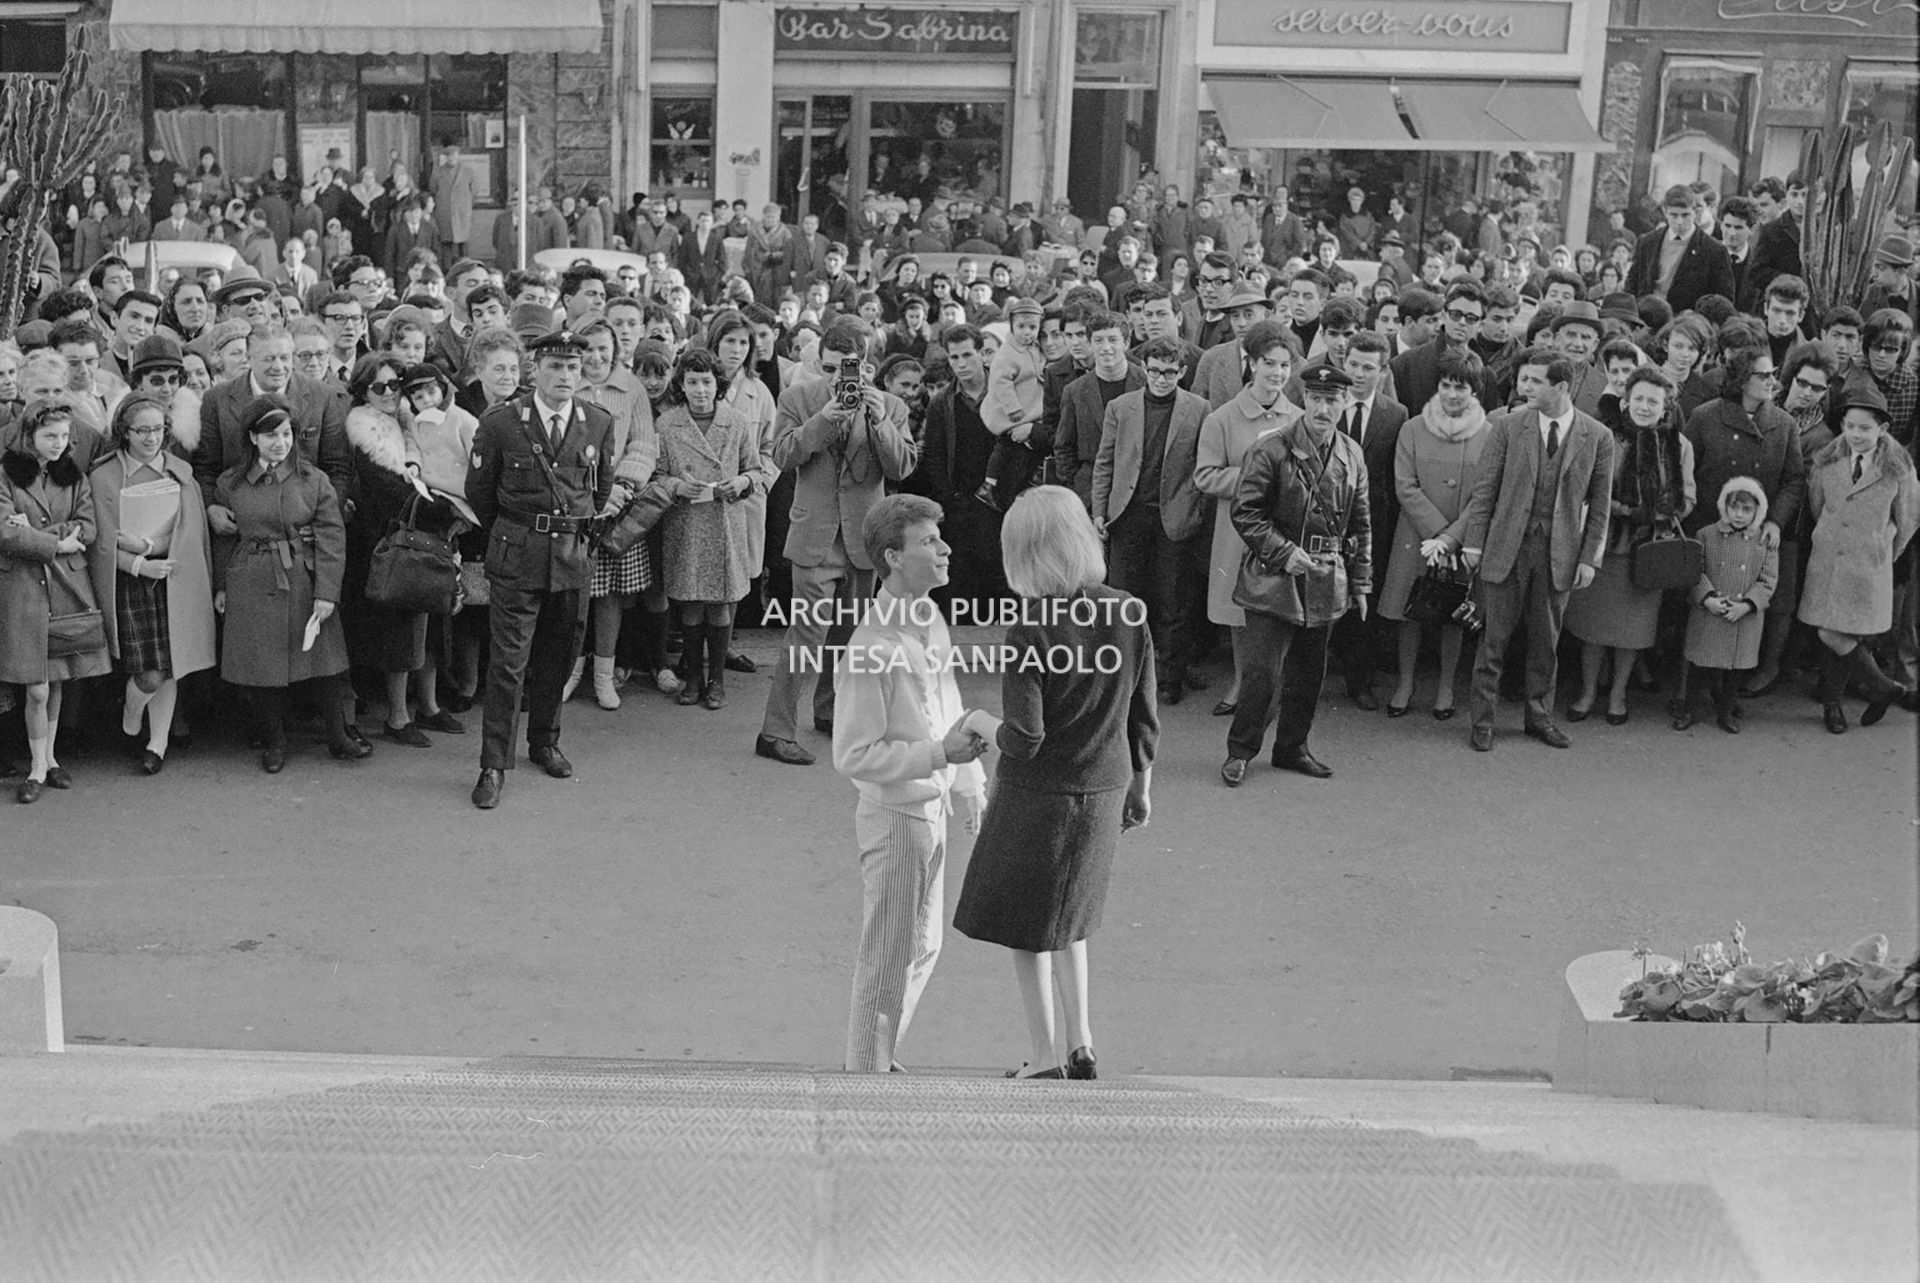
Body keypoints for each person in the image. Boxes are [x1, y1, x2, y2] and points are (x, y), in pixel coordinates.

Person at [950, 485, 1156, 1080]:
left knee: (1028, 928)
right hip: (1107, 784)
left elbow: (1024, 737)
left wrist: (979, 721)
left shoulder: (1031, 627)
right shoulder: (1128, 611)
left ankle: (1043, 1057)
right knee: (1074, 917)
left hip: (1038, 796)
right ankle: (1082, 1041)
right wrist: (1143, 787)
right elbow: (1143, 719)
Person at [831, 493, 990, 1073]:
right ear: (894, 558)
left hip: (932, 809)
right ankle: (864, 1073)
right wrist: (938, 756)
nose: (945, 548)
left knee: (923, 946)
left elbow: (948, 705)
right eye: (929, 541)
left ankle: (879, 1055)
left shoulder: (929, 618)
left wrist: (968, 779)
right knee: (887, 953)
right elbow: (852, 753)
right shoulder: (870, 648)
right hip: (895, 820)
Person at [464, 329, 618, 810]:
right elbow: (479, 493)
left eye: (574, 366)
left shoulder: (597, 422)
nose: (566, 376)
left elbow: (599, 491)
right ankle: (493, 762)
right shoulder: (502, 422)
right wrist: (519, 530)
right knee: (508, 664)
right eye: (555, 367)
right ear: (536, 370)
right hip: (518, 554)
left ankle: (544, 741)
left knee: (559, 655)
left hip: (571, 556)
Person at [757, 317, 917, 767]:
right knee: (806, 635)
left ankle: (828, 712)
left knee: (848, 637)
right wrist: (821, 422)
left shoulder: (890, 405)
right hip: (815, 535)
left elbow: (902, 467)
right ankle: (775, 731)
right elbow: (782, 456)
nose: (835, 379)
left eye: (845, 369)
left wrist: (880, 420)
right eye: (827, 369)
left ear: (866, 368)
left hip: (864, 538)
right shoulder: (797, 398)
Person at [1221, 360, 1372, 785]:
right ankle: (1241, 750)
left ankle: (1292, 747)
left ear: (1346, 401)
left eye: (1332, 400)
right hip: (1272, 576)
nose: (1323, 409)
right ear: (1304, 399)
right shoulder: (1271, 449)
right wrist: (1283, 552)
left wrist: (1360, 580)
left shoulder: (1351, 453)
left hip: (1325, 576)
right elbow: (1246, 512)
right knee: (1262, 674)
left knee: (1309, 674)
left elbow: (1361, 523)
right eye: (1316, 399)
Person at [1458, 349, 1615, 751]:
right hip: (1507, 546)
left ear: (1561, 387)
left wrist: (1588, 559)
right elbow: (1485, 491)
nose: (1524, 386)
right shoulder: (1510, 427)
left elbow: (1600, 506)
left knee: (1546, 641)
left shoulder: (1596, 435)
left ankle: (1539, 717)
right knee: (1493, 639)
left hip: (1559, 551)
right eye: (1523, 379)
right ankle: (1483, 721)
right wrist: (1474, 544)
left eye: (1534, 381)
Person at [213, 397, 366, 773]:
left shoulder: (313, 481)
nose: (279, 443)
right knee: (262, 666)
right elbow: (222, 540)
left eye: (285, 434)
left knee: (325, 661)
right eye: (269, 435)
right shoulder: (230, 483)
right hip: (251, 577)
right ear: (252, 438)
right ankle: (275, 740)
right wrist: (222, 586)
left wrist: (326, 592)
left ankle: (338, 734)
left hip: (302, 574)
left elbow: (332, 536)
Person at [86, 393, 217, 775]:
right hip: (128, 581)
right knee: (147, 673)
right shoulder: (104, 475)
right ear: (124, 433)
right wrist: (138, 564)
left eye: (157, 429)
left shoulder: (180, 474)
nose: (150, 438)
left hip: (173, 578)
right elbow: (100, 543)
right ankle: (131, 719)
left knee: (170, 666)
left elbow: (190, 534)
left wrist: (151, 545)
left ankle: (156, 745)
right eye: (141, 430)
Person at [1564, 367, 1696, 724]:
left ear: (1665, 406)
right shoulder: (1604, 436)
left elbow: (1689, 499)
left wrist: (1658, 510)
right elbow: (1584, 486)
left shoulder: (1678, 445)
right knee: (1593, 626)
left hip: (1646, 551)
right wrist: (1619, 509)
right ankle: (1589, 690)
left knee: (1631, 632)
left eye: (1653, 401)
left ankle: (1619, 694)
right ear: (1625, 399)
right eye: (1638, 398)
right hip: (1603, 544)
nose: (1644, 406)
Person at [1, 399, 114, 803]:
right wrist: (55, 542)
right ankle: (34, 765)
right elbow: (2, 530)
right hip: (21, 587)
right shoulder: (5, 472)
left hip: (66, 584)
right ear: (29, 435)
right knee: (35, 686)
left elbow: (89, 528)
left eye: (65, 436)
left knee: (57, 675)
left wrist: (34, 532)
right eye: (50, 436)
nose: (59, 444)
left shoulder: (74, 476)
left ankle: (48, 760)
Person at [1090, 336, 1210, 703]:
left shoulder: (1199, 408)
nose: (1160, 379)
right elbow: (1105, 461)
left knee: (1174, 599)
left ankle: (1170, 677)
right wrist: (1098, 510)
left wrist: (1195, 509)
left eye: (1170, 372)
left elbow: (1201, 465)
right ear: (1144, 369)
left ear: (1183, 372)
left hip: (1174, 516)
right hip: (1127, 515)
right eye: (1154, 371)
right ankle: (1121, 674)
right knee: (1123, 596)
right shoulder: (1121, 407)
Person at [1377, 349, 1492, 717]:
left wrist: (1451, 538)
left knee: (1452, 613)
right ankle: (1406, 681)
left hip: (1461, 539)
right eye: (1446, 385)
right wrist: (1436, 532)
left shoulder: (1489, 434)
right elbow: (1404, 485)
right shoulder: (1412, 428)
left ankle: (1445, 686)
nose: (1453, 394)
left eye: (1461, 388)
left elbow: (1484, 495)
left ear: (1474, 390)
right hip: (1416, 535)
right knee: (1410, 610)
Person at [1194, 321, 1301, 717]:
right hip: (1239, 530)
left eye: (1284, 365)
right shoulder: (1222, 419)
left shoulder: (1300, 418)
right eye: (1268, 363)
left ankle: (1273, 687)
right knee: (1239, 610)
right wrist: (1254, 478)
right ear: (1252, 364)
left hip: (1286, 529)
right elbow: (1205, 475)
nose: (1276, 373)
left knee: (1282, 607)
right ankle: (1242, 681)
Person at [1799, 385, 1920, 733]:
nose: (1855, 434)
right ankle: (1881, 688)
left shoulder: (1898, 466)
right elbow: (1817, 504)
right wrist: (1828, 535)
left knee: (1842, 632)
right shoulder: (1827, 459)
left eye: (1865, 428)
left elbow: (1909, 516)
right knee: (1830, 632)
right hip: (1828, 560)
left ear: (1882, 429)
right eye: (1850, 425)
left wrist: (1884, 548)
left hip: (1868, 562)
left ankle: (1835, 705)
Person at [654, 347, 760, 712]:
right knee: (690, 604)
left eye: (707, 381)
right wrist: (676, 487)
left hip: (723, 523)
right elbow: (654, 475)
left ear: (719, 384)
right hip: (685, 522)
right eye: (692, 382)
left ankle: (716, 679)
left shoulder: (737, 422)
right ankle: (693, 678)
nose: (700, 389)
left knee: (719, 605)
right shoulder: (667, 424)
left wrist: (743, 482)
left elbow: (757, 469)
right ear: (681, 385)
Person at [571, 319, 658, 710]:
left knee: (609, 597)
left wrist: (620, 488)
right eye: (587, 348)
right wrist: (585, 496)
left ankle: (604, 676)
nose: (596, 356)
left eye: (603, 348)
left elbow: (643, 444)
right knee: (574, 596)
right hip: (574, 507)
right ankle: (571, 671)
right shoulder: (566, 385)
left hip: (618, 507)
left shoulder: (631, 388)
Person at [1674, 477, 1778, 733]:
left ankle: (1726, 711)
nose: (1739, 515)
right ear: (1724, 506)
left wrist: (1748, 605)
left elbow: (1768, 580)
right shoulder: (1707, 534)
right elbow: (1695, 572)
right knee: (1700, 665)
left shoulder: (1764, 541)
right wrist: (1707, 598)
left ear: (1757, 511)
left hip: (1743, 616)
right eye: (1734, 508)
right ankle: (1689, 708)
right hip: (1710, 610)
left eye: (1746, 509)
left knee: (1735, 670)